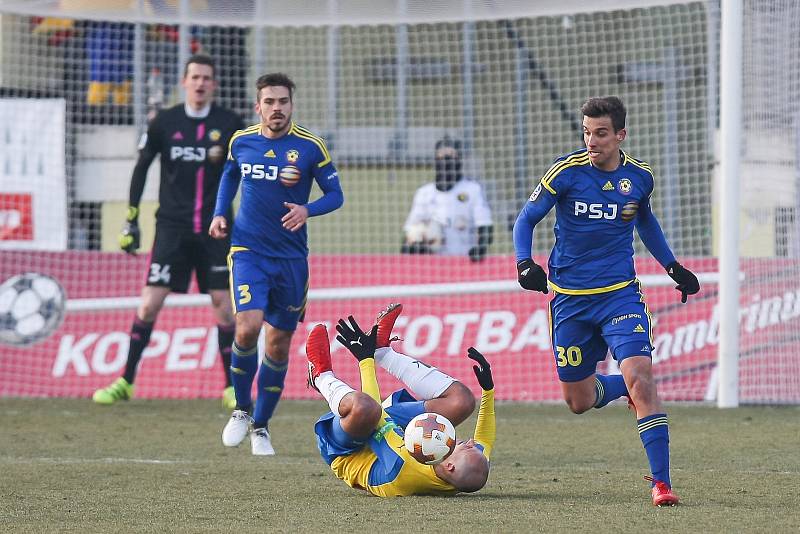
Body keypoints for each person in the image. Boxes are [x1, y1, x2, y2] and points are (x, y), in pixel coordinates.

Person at [512, 96, 700, 507]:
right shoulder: (566, 173)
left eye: (599, 133)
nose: (591, 141)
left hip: (620, 297)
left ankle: (662, 484)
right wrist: (525, 264)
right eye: (586, 133)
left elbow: (644, 219)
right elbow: (525, 219)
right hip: (570, 302)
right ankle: (623, 389)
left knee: (643, 379)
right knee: (577, 401)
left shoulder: (639, 178)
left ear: (620, 135)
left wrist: (673, 267)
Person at [93, 54, 245, 409]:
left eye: (207, 78)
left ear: (215, 84)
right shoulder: (165, 121)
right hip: (171, 230)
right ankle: (125, 380)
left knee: (224, 308)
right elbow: (142, 167)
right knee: (148, 304)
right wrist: (131, 220)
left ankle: (231, 387)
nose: (201, 83)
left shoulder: (231, 123)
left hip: (216, 230)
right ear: (184, 82)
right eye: (195, 77)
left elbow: (245, 172)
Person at [210, 72, 344, 456]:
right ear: (258, 106)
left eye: (282, 101)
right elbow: (230, 174)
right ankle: (241, 409)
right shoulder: (242, 141)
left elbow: (336, 195)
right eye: (269, 102)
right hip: (247, 251)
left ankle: (261, 427)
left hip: (290, 259)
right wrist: (221, 213)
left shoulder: (309, 148)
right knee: (248, 326)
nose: (276, 108)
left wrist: (308, 209)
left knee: (280, 344)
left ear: (291, 105)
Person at [306, 303, 496, 497]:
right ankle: (383, 352)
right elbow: (484, 441)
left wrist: (365, 359)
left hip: (348, 448)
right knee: (461, 402)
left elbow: (379, 418)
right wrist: (488, 390)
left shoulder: (405, 464)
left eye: (469, 448)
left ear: (450, 466)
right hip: (392, 431)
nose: (471, 442)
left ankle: (321, 376)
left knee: (366, 408)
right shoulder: (466, 469)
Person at [402, 137, 493, 261]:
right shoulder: (424, 193)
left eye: (451, 155)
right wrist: (415, 246)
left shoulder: (473, 189)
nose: (446, 160)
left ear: (459, 159)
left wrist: (481, 247)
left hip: (464, 262)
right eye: (442, 155)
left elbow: (485, 225)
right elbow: (410, 231)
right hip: (433, 265)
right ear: (435, 159)